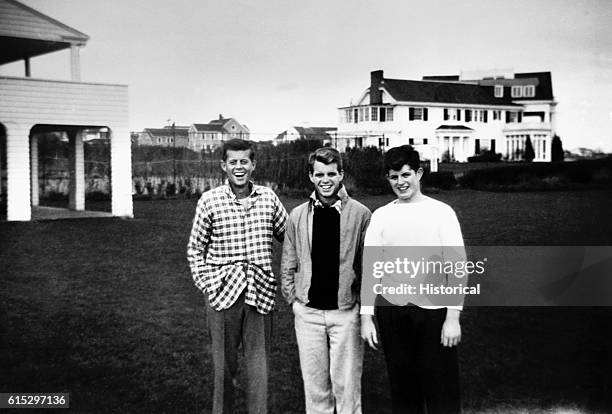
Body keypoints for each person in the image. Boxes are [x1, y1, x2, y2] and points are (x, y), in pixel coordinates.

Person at [360, 145, 465, 414]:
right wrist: (366, 317)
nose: (400, 183)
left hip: (433, 313)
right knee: (404, 391)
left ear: (419, 173)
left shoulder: (442, 212)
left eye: (406, 175)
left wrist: (452, 317)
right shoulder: (382, 216)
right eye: (394, 177)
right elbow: (372, 268)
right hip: (393, 314)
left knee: (441, 389)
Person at [187, 139, 287, 414]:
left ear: (253, 164)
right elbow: (195, 248)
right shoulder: (210, 200)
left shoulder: (268, 198)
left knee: (259, 370)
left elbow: (290, 237)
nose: (239, 167)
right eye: (233, 162)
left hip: (260, 294)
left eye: (244, 161)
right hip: (222, 297)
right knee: (223, 369)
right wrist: (206, 283)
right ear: (224, 166)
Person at [281, 147, 371, 414]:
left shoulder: (361, 214)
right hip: (308, 314)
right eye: (319, 174)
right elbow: (289, 261)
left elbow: (368, 267)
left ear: (341, 174)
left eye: (332, 173)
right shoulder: (297, 215)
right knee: (316, 388)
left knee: (347, 387)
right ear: (311, 176)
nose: (326, 180)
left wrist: (361, 308)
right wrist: (293, 301)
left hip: (345, 313)